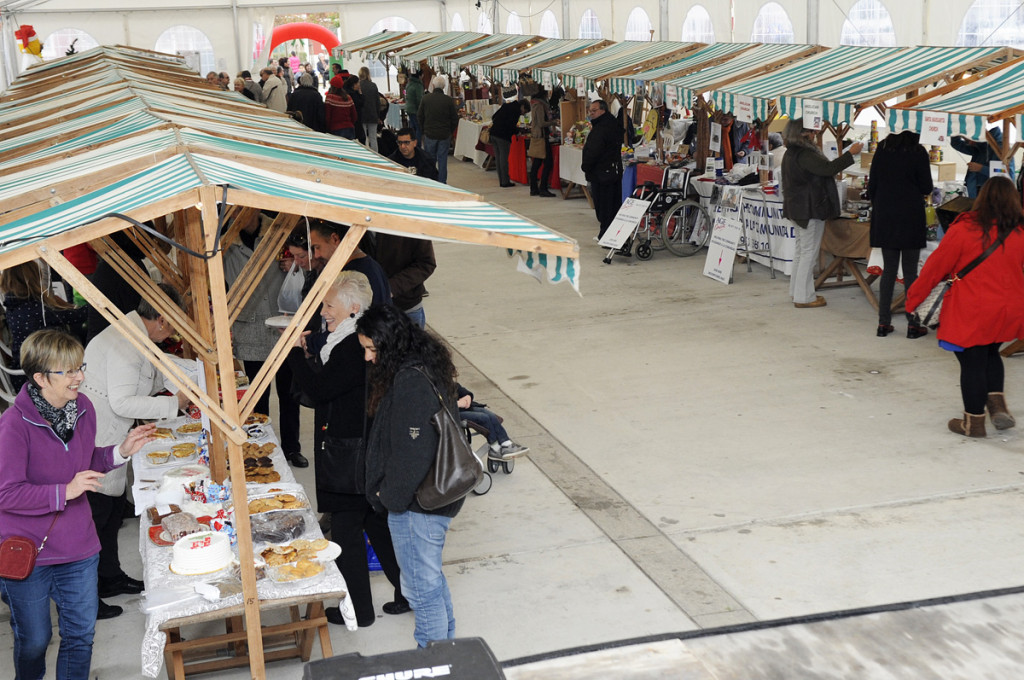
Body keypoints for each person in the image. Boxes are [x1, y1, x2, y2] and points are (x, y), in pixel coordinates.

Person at [0, 329, 155, 680]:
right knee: (35, 640)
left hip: (78, 546)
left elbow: (87, 461)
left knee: (80, 636)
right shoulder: (12, 426)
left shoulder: (82, 408)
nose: (79, 377)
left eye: (79, 367)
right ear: (39, 377)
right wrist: (64, 492)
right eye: (67, 371)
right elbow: (6, 493)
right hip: (29, 551)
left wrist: (120, 451)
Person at [288, 272, 409, 628]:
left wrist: (294, 354)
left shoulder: (349, 347)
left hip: (349, 456)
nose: (323, 311)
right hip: (361, 450)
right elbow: (329, 388)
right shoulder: (346, 343)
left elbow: (320, 390)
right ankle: (408, 592)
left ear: (354, 307)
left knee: (346, 533)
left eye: (329, 304)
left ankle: (359, 610)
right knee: (376, 525)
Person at [356, 305, 465, 648]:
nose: (368, 358)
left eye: (372, 349)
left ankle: (431, 658)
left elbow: (413, 453)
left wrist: (390, 498)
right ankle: (447, 652)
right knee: (429, 580)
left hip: (418, 503)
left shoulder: (410, 381)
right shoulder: (423, 365)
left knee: (419, 588)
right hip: (426, 499)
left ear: (390, 345)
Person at [80, 285, 189, 620]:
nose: (171, 331)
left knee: (113, 511)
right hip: (98, 434)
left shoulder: (137, 334)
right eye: (172, 324)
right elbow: (123, 400)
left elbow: (146, 378)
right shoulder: (128, 342)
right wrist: (175, 403)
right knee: (95, 517)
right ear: (161, 318)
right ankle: (88, 598)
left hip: (111, 433)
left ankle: (110, 577)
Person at [906, 177, 1024, 438]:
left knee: (972, 362)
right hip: (1009, 307)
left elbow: (934, 270)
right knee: (991, 353)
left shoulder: (964, 230)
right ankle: (997, 407)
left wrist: (913, 300)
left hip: (973, 308)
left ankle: (974, 423)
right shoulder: (1019, 232)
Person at [223, 211, 306, 467]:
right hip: (250, 324)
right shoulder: (224, 240)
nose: (237, 215)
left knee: (289, 393)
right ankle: (261, 449)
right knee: (257, 395)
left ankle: (292, 448)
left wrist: (294, 262)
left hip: (281, 321)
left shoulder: (279, 232)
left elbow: (306, 261)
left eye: (242, 209)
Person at [780, 118, 863, 309]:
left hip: (799, 207)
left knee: (802, 252)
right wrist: (850, 154)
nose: (814, 134)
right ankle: (804, 297)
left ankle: (797, 292)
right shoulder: (804, 154)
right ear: (801, 133)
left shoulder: (792, 152)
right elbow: (829, 169)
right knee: (808, 253)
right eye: (811, 131)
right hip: (809, 209)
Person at [867, 130, 934, 338]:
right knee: (911, 272)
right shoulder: (918, 151)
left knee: (888, 271)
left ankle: (883, 323)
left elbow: (872, 186)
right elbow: (926, 186)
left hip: (886, 215)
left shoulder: (883, 149)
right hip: (910, 215)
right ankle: (913, 324)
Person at [1, 260, 88, 391]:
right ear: (35, 277)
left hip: (22, 370)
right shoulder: (37, 308)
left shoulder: (12, 304)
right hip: (37, 377)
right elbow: (79, 315)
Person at [307, 219, 393, 312]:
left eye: (317, 247)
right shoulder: (372, 266)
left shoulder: (352, 275)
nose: (316, 255)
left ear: (335, 239)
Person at [373, 231, 436, 329]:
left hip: (405, 307)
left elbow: (426, 263)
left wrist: (391, 288)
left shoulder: (412, 223)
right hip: (365, 309)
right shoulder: (355, 220)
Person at [582, 99, 624, 240]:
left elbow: (594, 151)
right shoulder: (611, 124)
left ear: (603, 110)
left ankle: (606, 235)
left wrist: (586, 166)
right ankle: (608, 234)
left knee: (604, 207)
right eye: (590, 111)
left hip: (603, 173)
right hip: (612, 171)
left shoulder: (602, 128)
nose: (591, 114)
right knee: (611, 205)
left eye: (594, 111)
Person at [457, 384, 528, 460]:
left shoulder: (446, 380)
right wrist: (458, 403)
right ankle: (495, 448)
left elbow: (459, 388)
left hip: (462, 408)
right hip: (451, 413)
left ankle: (506, 443)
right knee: (483, 418)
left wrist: (467, 396)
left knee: (489, 414)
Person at [418, 75, 458, 184]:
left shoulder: (425, 99)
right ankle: (442, 182)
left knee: (430, 160)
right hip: (444, 135)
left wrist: (423, 129)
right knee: (442, 160)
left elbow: (420, 116)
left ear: (433, 85)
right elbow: (454, 118)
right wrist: (450, 131)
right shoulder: (448, 100)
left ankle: (431, 181)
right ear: (444, 86)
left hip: (429, 134)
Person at [951, 128, 1006, 198]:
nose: (970, 143)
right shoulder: (980, 146)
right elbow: (956, 144)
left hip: (990, 195)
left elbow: (1004, 172)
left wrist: (981, 168)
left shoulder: (1001, 148)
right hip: (975, 191)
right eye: (966, 140)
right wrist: (957, 129)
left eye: (968, 140)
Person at [489, 94, 529, 188]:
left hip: (494, 133)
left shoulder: (506, 105)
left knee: (498, 159)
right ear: (522, 106)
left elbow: (494, 117)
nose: (523, 114)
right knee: (503, 159)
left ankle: (501, 180)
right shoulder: (515, 111)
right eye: (525, 111)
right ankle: (505, 181)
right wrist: (517, 131)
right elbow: (510, 125)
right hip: (503, 136)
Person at [528, 87, 557, 197]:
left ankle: (534, 188)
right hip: (541, 136)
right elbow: (541, 123)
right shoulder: (540, 105)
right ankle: (543, 188)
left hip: (538, 136)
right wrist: (553, 122)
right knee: (547, 163)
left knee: (537, 163)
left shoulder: (535, 103)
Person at [325, 75, 358, 139]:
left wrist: (328, 128)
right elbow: (354, 116)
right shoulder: (348, 98)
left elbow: (328, 116)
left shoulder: (330, 97)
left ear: (332, 86)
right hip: (349, 128)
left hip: (335, 129)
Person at [358, 67, 381, 152]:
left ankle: (366, 155)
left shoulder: (358, 86)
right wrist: (378, 116)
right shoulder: (373, 85)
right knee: (373, 137)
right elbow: (377, 102)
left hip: (362, 115)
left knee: (364, 138)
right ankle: (376, 156)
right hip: (373, 114)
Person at [404, 70, 425, 141]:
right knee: (418, 129)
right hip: (415, 110)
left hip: (409, 109)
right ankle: (417, 146)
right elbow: (419, 99)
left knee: (412, 128)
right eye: (422, 75)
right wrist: (422, 110)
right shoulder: (418, 85)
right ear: (419, 76)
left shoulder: (408, 84)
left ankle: (412, 145)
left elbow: (405, 94)